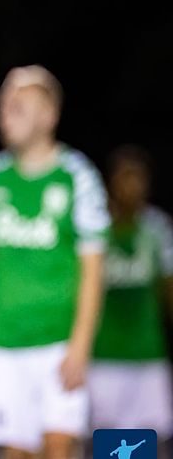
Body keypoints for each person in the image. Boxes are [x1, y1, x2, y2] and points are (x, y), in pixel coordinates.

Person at [0, 65, 110, 459]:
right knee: (15, 452)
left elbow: (93, 270)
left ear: (49, 115)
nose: (4, 114)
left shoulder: (78, 176)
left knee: (60, 448)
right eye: (1, 107)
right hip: (3, 343)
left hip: (59, 341)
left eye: (18, 106)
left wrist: (82, 343)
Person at [89, 146, 173, 445]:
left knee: (147, 440)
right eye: (125, 177)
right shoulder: (96, 229)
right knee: (109, 443)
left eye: (138, 178)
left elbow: (168, 288)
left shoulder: (157, 228)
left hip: (147, 355)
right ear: (111, 182)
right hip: (104, 356)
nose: (132, 186)